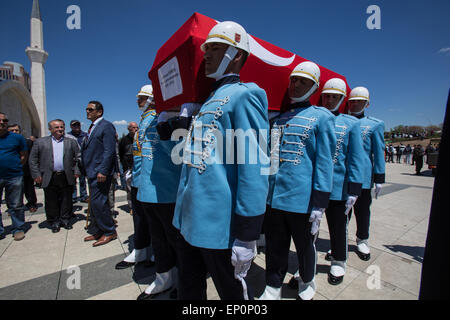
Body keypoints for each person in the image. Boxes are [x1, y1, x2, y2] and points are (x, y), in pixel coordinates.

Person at [172, 21, 269, 300]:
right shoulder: (207, 101)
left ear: (236, 54)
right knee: (189, 289)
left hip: (219, 225)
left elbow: (255, 166)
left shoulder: (246, 95)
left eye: (215, 48)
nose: (207, 55)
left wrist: (248, 233)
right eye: (207, 48)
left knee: (231, 293)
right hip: (188, 218)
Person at [258, 61, 336, 301]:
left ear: (314, 87)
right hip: (275, 198)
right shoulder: (278, 119)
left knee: (304, 247)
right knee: (275, 246)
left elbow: (324, 163)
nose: (296, 84)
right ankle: (272, 286)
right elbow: (270, 159)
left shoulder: (321, 118)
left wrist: (320, 203)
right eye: (293, 80)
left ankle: (307, 280)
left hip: (303, 200)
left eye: (303, 81)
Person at [317, 78, 364, 285]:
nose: (329, 100)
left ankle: (339, 261)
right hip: (315, 188)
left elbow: (356, 158)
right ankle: (306, 264)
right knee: (309, 230)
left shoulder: (352, 124)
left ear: (342, 99)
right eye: (326, 96)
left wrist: (354, 189)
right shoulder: (314, 118)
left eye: (334, 97)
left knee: (338, 227)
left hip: (338, 189)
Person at [115, 85, 156, 271]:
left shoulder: (153, 119)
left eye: (142, 97)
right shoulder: (145, 120)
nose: (138, 100)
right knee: (140, 219)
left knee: (151, 221)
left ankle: (151, 252)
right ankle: (142, 249)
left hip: (148, 180)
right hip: (139, 177)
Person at [347, 87, 385, 261]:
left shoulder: (374, 124)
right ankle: (339, 242)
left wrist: (379, 178)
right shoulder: (340, 121)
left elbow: (379, 152)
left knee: (362, 212)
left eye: (359, 102)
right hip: (343, 178)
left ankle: (362, 239)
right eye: (352, 101)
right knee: (341, 215)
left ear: (367, 104)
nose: (355, 104)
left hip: (362, 179)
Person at [29, 120, 81, 232]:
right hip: (49, 176)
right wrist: (36, 174)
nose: (60, 129)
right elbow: (33, 160)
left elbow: (78, 158)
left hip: (66, 175)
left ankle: (65, 220)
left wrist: (76, 170)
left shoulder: (71, 142)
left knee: (66, 199)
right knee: (51, 200)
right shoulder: (40, 142)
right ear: (50, 129)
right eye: (56, 127)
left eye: (62, 127)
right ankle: (54, 221)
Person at [81, 101, 118, 247]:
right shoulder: (92, 128)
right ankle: (98, 230)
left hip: (100, 172)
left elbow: (109, 151)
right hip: (91, 171)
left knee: (99, 203)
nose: (87, 111)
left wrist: (103, 170)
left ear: (99, 112)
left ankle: (109, 231)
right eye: (86, 109)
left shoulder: (106, 126)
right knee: (95, 204)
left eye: (90, 109)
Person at [0, 112, 28, 241]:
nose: (2, 123)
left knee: (16, 204)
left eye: (4, 120)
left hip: (14, 176)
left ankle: (18, 228)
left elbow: (23, 156)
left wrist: (14, 166)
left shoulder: (17, 138)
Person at [7, 124, 38, 212]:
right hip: (11, 172)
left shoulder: (28, 142)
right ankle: (12, 207)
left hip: (26, 170)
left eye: (16, 130)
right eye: (11, 130)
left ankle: (32, 204)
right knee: (12, 191)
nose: (14, 132)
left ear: (20, 131)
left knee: (29, 189)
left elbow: (33, 157)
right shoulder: (5, 142)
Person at [118, 122, 138, 211]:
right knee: (130, 189)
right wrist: (124, 167)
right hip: (128, 168)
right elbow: (120, 154)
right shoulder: (124, 140)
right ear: (129, 129)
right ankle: (131, 207)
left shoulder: (140, 139)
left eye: (137, 127)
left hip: (139, 167)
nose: (136, 129)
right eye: (134, 127)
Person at [68, 120, 89, 203]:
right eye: (74, 125)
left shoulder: (85, 135)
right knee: (73, 180)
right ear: (71, 126)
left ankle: (83, 195)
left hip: (83, 161)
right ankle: (73, 196)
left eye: (78, 125)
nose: (76, 127)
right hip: (72, 161)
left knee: (82, 179)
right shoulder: (68, 136)